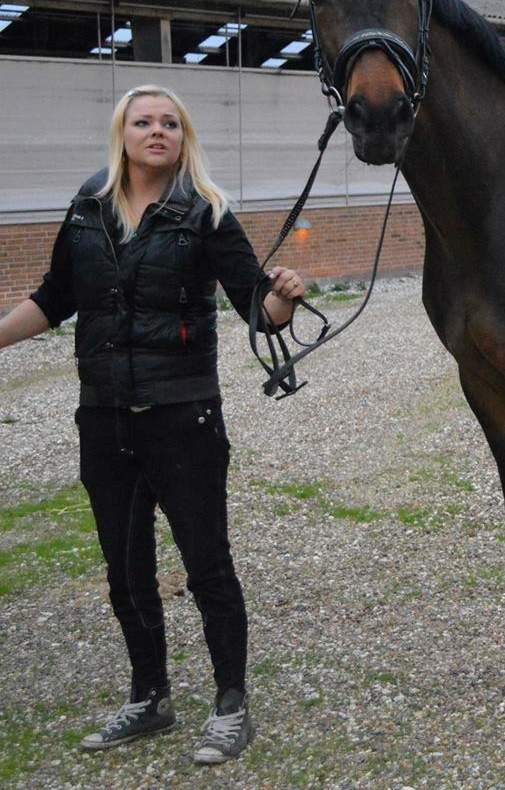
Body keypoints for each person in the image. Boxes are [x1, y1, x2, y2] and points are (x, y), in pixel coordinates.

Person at [0, 84, 305, 764]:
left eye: (170, 122)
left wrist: (283, 300)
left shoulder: (207, 212)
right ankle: (150, 698)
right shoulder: (88, 207)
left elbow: (256, 307)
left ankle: (231, 704)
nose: (157, 131)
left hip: (183, 415)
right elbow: (54, 296)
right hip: (103, 416)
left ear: (183, 136)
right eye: (143, 122)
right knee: (125, 568)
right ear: (124, 133)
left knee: (207, 566)